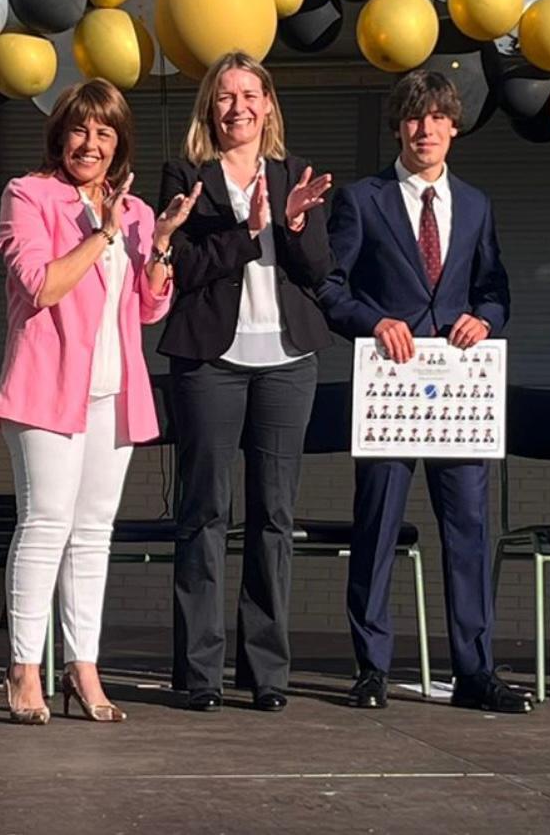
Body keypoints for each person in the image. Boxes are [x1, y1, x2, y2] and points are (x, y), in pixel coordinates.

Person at [318, 69, 530, 713]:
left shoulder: (478, 204)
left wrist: (485, 319)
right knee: (377, 526)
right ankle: (372, 668)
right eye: (414, 118)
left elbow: (495, 289)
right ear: (398, 127)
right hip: (391, 389)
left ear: (454, 126)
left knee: (467, 529)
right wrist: (372, 321)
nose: (426, 129)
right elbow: (331, 288)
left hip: (460, 395)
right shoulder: (362, 199)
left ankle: (474, 671)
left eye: (438, 117)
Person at [0, 79, 191, 724]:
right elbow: (42, 285)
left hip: (114, 392)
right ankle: (25, 668)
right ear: (61, 135)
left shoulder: (131, 210)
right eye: (80, 130)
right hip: (47, 389)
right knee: (45, 525)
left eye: (105, 133)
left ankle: (83, 668)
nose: (91, 144)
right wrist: (102, 236)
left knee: (93, 537)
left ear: (119, 144)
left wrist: (157, 242)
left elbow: (150, 306)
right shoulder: (29, 195)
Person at [158, 52, 334, 713]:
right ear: (211, 107)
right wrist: (247, 229)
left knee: (274, 517)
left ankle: (266, 673)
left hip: (287, 360)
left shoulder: (296, 174)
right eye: (224, 96)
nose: (237, 106)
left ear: (267, 104)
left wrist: (290, 226)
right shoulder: (186, 175)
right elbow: (184, 265)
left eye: (249, 94)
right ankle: (199, 673)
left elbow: (318, 270)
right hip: (210, 359)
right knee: (203, 511)